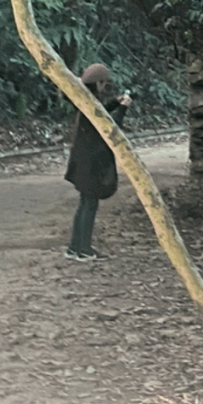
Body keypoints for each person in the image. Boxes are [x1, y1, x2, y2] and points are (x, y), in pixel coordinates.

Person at [63, 63, 131, 261]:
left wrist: (116, 103)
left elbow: (101, 112)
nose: (106, 86)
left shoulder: (85, 99)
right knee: (90, 204)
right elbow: (110, 126)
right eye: (104, 83)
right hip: (91, 162)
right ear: (98, 83)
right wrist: (123, 109)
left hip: (82, 160)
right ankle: (84, 249)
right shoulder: (89, 102)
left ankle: (74, 247)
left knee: (84, 202)